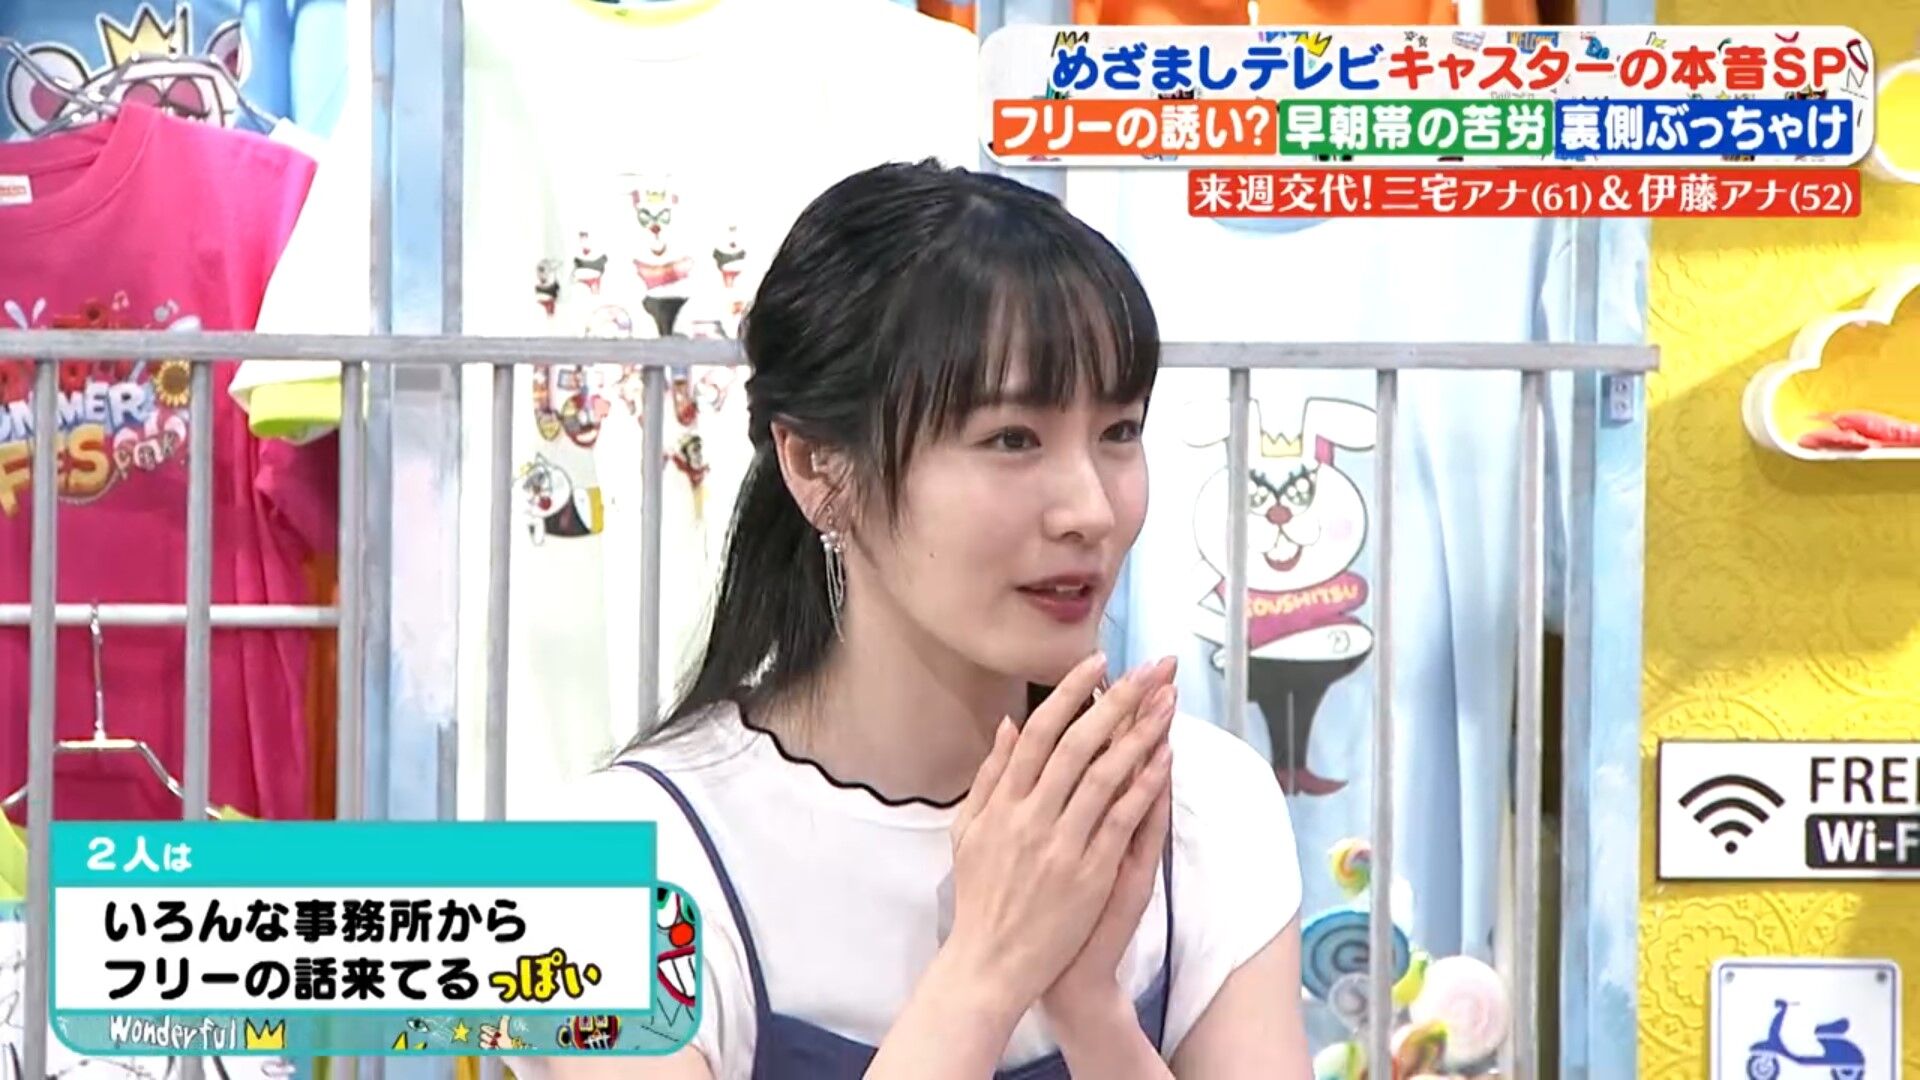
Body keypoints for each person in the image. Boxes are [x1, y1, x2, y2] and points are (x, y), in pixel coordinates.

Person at [530, 160, 1310, 1079]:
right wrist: (986, 970)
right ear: (816, 465)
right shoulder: (603, 867)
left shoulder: (1207, 806)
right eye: (1012, 439)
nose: (1090, 510)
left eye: (1119, 432)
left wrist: (1091, 1007)